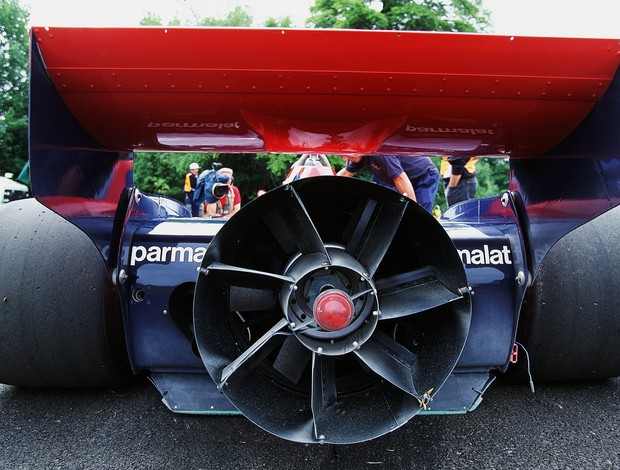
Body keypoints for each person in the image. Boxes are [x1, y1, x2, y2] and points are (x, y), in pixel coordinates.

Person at [337, 155, 440, 213]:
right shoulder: (358, 156)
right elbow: (345, 173)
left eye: (346, 154)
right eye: (342, 156)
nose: (346, 159)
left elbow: (400, 178)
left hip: (423, 177)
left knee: (419, 215)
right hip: (403, 181)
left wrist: (412, 210)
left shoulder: (378, 153)